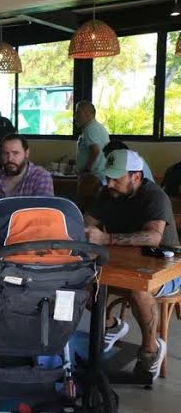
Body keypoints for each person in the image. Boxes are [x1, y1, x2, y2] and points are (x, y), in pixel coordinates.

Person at [84, 149, 180, 380]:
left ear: (135, 176)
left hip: (167, 269)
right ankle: (111, 325)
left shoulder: (154, 196)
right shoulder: (109, 193)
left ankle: (151, 348)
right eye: (108, 177)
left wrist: (106, 238)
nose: (109, 183)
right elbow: (86, 222)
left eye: (116, 178)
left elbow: (153, 237)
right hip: (124, 263)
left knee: (138, 289)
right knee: (81, 282)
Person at [0, 134, 54, 220]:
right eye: (5, 153)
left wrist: (0, 218)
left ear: (26, 153)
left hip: (26, 229)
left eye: (15, 153)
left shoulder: (41, 177)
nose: (10, 158)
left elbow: (42, 214)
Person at [75, 100, 110, 181]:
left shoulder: (90, 129)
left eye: (78, 113)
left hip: (92, 177)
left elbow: (95, 150)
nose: (75, 117)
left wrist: (86, 171)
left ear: (87, 114)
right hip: (99, 176)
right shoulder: (98, 127)